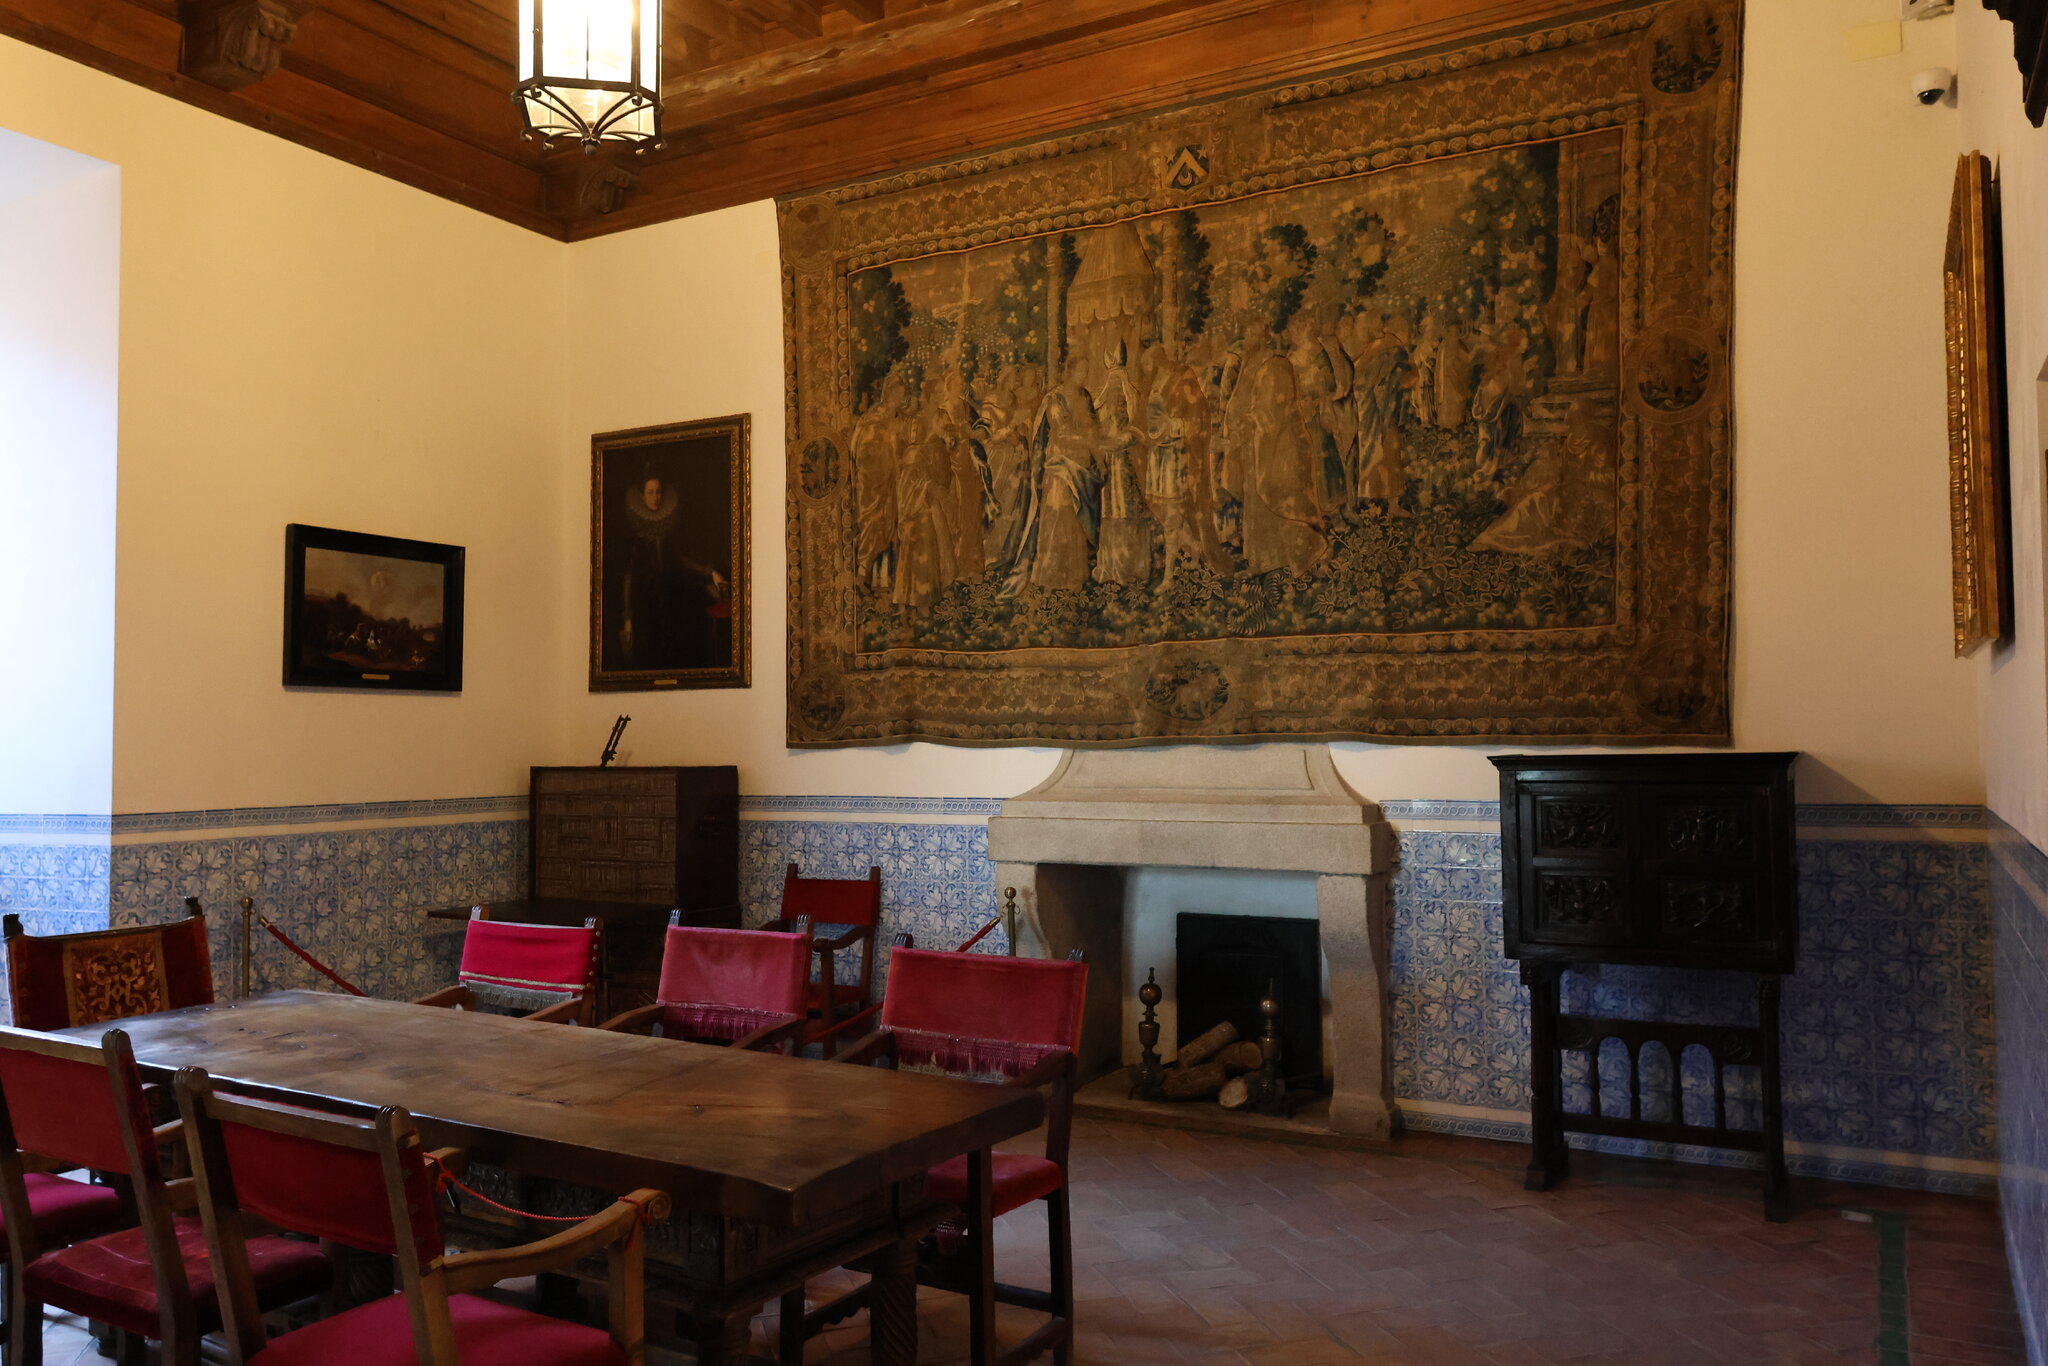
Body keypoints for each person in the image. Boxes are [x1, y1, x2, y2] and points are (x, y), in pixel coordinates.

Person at [615, 473, 728, 670]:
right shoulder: (634, 538)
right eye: (650, 493)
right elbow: (628, 578)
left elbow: (682, 561)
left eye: (658, 492)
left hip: (668, 607)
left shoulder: (668, 532)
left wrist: (710, 573)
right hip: (644, 611)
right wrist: (627, 619)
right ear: (642, 496)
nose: (655, 498)